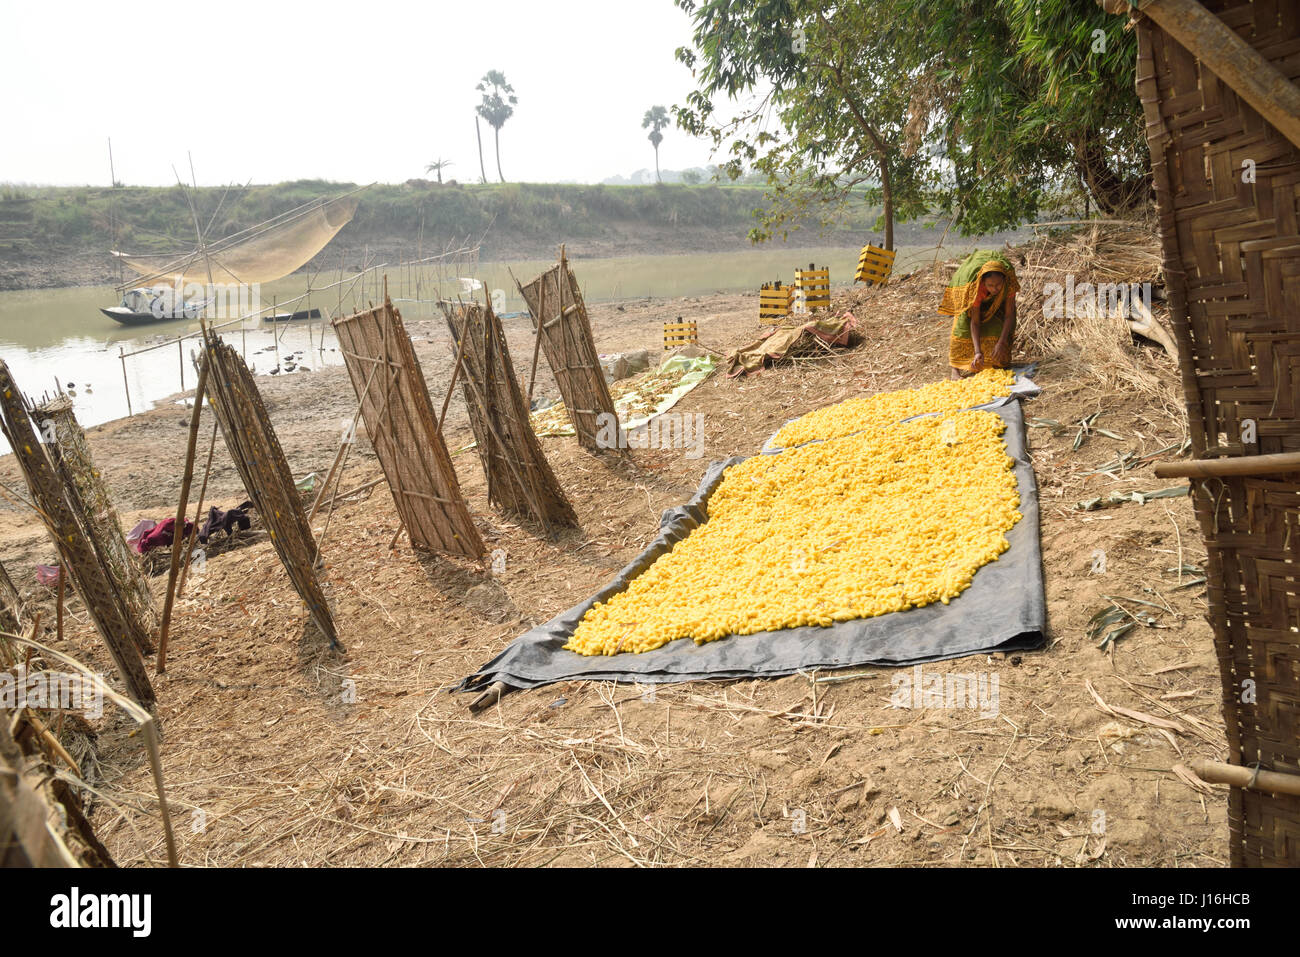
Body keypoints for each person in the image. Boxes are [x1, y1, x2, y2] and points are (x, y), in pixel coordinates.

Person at [939, 250, 1020, 379]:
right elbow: (975, 322)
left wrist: (1001, 342)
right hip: (970, 304)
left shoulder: (1009, 284)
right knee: (961, 330)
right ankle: (955, 370)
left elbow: (1009, 315)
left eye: (998, 285)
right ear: (983, 283)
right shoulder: (975, 289)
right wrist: (977, 352)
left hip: (996, 306)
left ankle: (992, 363)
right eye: (990, 285)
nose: (995, 289)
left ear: (1004, 280)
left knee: (998, 344)